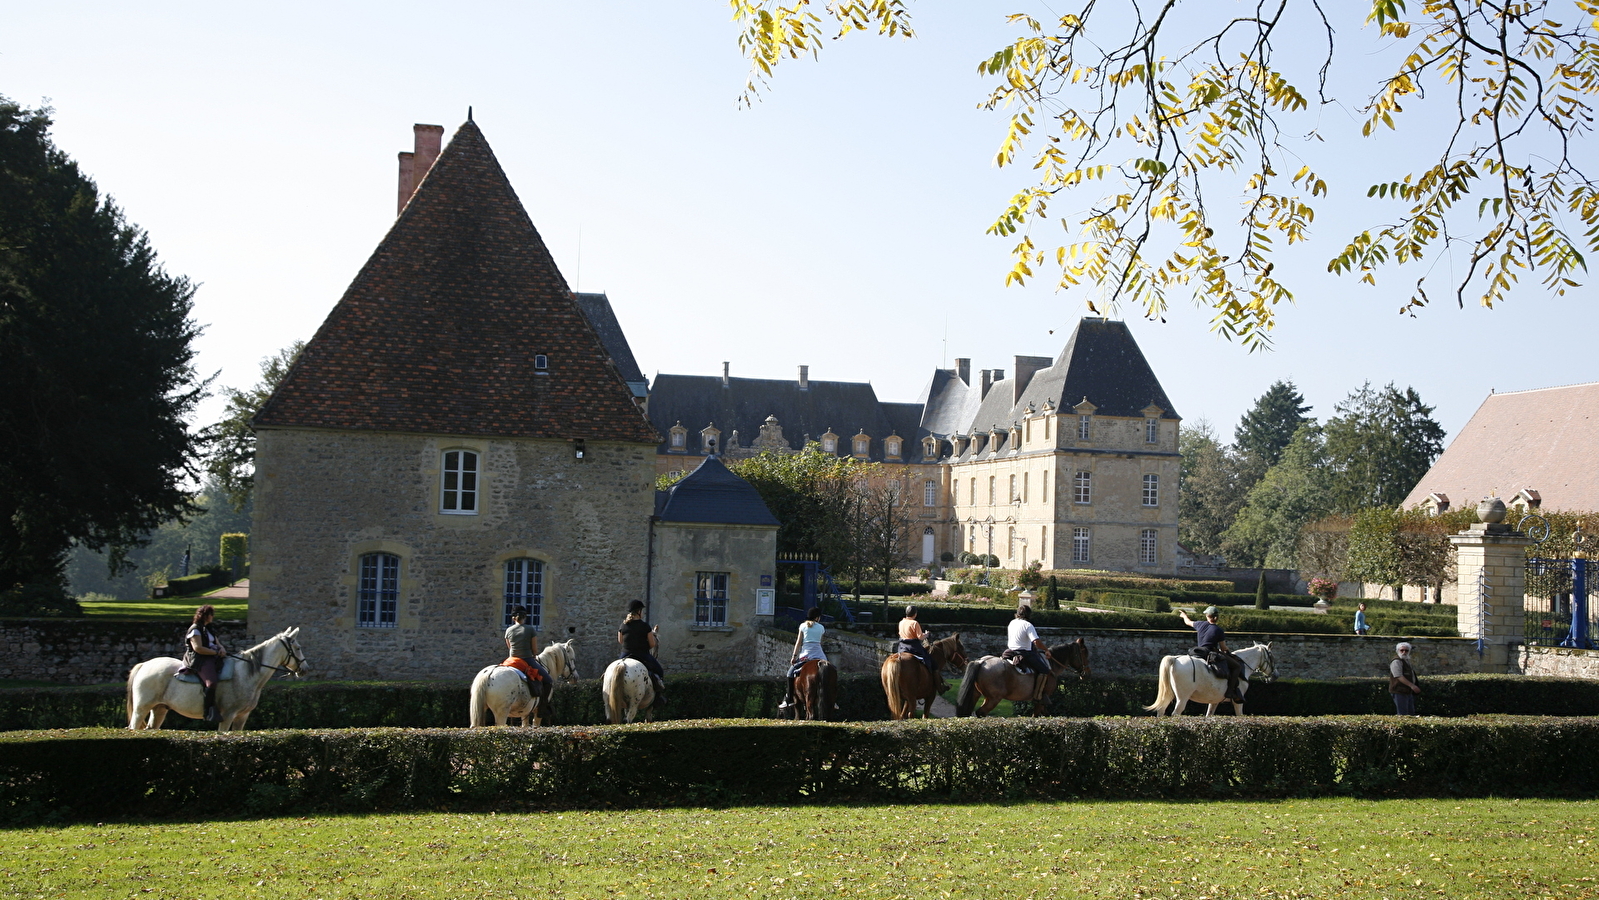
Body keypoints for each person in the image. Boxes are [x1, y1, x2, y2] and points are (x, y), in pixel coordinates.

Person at [1178, 606, 1245, 702]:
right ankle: (1230, 691)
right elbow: (1223, 648)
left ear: (1207, 616)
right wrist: (1228, 651)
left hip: (1198, 651)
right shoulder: (1219, 630)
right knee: (1237, 666)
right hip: (1210, 653)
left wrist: (1184, 615)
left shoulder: (1200, 624)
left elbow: (1188, 622)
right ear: (1216, 617)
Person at [777, 607, 827, 710]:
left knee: (790, 674)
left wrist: (794, 657)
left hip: (806, 655)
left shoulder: (802, 626)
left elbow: (798, 643)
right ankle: (833, 701)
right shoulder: (821, 628)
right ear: (817, 618)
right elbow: (820, 643)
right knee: (832, 671)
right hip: (819, 655)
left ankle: (789, 699)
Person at [184, 604, 226, 722]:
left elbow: (217, 643)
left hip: (213, 657)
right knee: (211, 683)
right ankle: (208, 711)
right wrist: (216, 652)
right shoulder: (195, 629)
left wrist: (221, 648)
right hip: (200, 659)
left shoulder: (209, 629)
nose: (213, 617)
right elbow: (198, 648)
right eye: (211, 614)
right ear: (205, 616)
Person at [618, 599, 665, 703]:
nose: (643, 613)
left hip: (625, 654)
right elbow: (652, 644)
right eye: (642, 611)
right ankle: (658, 698)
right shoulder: (645, 626)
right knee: (659, 671)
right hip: (642, 654)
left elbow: (620, 641)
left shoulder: (623, 625)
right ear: (638, 612)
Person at [1006, 604, 1054, 701]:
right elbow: (1036, 642)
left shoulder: (1012, 622)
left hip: (1009, 652)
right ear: (1029, 615)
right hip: (1024, 653)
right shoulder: (1028, 625)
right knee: (1045, 670)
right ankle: (1038, 695)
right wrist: (1046, 650)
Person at [502, 607, 550, 687]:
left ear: (513, 618)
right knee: (548, 681)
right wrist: (534, 655)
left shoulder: (508, 630)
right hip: (527, 659)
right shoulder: (530, 629)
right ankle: (543, 699)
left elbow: (509, 646)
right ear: (525, 617)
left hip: (512, 659)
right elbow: (534, 649)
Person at [1389, 642, 1421, 715]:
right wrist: (1412, 686)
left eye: (1406, 650)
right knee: (1403, 714)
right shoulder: (1396, 661)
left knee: (1410, 713)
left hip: (1407, 691)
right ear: (1398, 651)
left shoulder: (1406, 660)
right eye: (1402, 650)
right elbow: (1398, 676)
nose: (1404, 652)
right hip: (1399, 690)